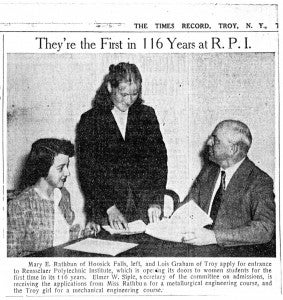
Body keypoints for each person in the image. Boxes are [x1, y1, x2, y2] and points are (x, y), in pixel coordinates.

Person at [76, 62, 168, 230]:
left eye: (134, 94)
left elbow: (159, 162)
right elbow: (87, 171)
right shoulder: (90, 120)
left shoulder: (147, 115)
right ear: (110, 87)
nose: (129, 100)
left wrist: (156, 201)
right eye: (123, 94)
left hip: (144, 208)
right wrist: (109, 207)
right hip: (106, 210)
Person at [182, 120, 275, 247]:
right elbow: (187, 207)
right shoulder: (208, 171)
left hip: (232, 254)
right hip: (196, 247)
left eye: (215, 140)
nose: (209, 142)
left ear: (232, 149)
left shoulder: (259, 181)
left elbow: (265, 228)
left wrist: (214, 237)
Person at [7, 138, 100, 257]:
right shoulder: (20, 206)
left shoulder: (63, 195)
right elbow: (10, 256)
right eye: (61, 168)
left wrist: (86, 232)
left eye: (67, 166)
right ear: (43, 168)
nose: (67, 173)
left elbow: (63, 236)